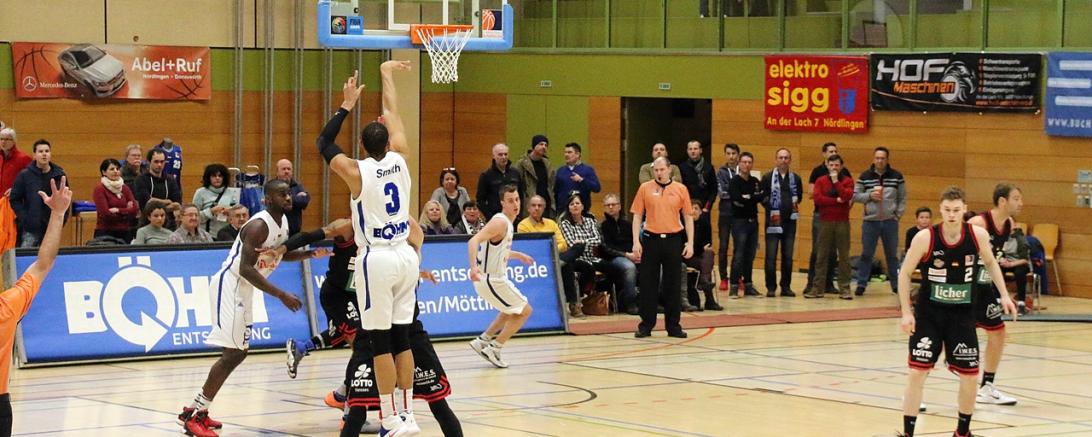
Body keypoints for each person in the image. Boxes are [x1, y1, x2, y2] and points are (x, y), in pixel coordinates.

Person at [318, 62, 422, 437]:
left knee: (379, 343)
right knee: (403, 339)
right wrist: (387, 73)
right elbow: (393, 112)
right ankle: (408, 415)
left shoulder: (355, 171)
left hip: (376, 258)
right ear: (389, 142)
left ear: (363, 147)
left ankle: (390, 419)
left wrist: (346, 105)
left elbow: (323, 143)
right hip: (405, 255)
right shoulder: (402, 156)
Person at [176, 179, 317, 437]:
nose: (288, 198)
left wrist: (307, 255)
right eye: (282, 194)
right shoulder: (258, 226)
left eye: (289, 194)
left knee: (238, 353)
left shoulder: (283, 222)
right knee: (233, 354)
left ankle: (194, 409)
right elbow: (245, 269)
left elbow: (277, 254)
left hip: (244, 290)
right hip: (230, 286)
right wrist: (281, 295)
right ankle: (196, 417)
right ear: (267, 199)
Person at [896, 186, 1017, 437]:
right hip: (929, 315)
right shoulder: (926, 238)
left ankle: (962, 432)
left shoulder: (977, 235)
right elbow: (905, 273)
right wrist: (906, 312)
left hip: (962, 315)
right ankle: (907, 433)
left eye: (956, 210)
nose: (952, 214)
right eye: (947, 210)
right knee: (917, 372)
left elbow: (991, 263)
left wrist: (1004, 294)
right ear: (940, 210)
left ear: (964, 210)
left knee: (970, 376)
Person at [0, 177, 70, 437]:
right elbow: (43, 264)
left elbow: (43, 264)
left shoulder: (7, 307)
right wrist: (58, 214)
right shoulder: (6, 307)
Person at [967, 183, 1024, 406]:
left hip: (984, 287)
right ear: (1002, 201)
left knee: (998, 333)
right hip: (965, 288)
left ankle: (987, 387)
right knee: (946, 338)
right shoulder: (978, 223)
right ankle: (915, 386)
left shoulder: (1009, 224)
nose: (1021, 203)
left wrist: (1004, 294)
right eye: (1016, 198)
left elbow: (992, 262)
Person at [467, 184, 535, 368]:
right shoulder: (500, 222)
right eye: (510, 201)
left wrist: (518, 255)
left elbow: (497, 251)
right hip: (491, 279)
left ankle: (483, 340)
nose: (516, 204)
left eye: (517, 199)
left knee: (510, 309)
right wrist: (473, 267)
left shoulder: (507, 223)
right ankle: (494, 348)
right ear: (502, 203)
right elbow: (473, 240)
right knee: (525, 311)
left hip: (492, 279)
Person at [631, 157, 693, 339]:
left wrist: (690, 242)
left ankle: (673, 326)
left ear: (669, 169)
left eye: (662, 169)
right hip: (651, 239)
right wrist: (636, 242)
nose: (659, 173)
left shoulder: (681, 189)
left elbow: (688, 217)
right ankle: (646, 325)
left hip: (673, 240)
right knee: (648, 283)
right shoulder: (645, 188)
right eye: (656, 170)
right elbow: (637, 216)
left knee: (673, 284)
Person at [517, 195, 587, 318]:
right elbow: (531, 248)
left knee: (578, 247)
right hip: (537, 260)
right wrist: (550, 248)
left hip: (555, 257)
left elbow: (563, 244)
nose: (537, 208)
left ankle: (558, 263)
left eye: (540, 206)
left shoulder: (551, 223)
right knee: (567, 265)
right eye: (533, 205)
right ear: (528, 208)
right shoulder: (523, 225)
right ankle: (573, 304)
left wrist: (550, 249)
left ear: (544, 208)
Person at [853, 146, 907, 296]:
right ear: (873, 159)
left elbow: (902, 197)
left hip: (890, 221)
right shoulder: (865, 176)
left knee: (892, 255)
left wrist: (897, 215)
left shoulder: (897, 176)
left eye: (882, 158)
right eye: (877, 158)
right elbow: (855, 195)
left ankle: (895, 285)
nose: (880, 161)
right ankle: (861, 284)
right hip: (870, 221)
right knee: (866, 254)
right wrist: (869, 196)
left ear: (887, 159)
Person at [804, 154, 854, 299]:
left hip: (842, 222)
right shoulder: (820, 180)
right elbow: (818, 199)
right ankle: (817, 288)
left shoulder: (848, 181)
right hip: (825, 221)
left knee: (844, 256)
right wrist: (836, 201)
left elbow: (846, 196)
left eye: (837, 165)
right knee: (821, 255)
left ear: (841, 166)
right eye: (831, 165)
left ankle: (845, 289)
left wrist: (836, 182)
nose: (834, 168)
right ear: (827, 166)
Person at [760, 148, 803, 297]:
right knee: (771, 256)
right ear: (776, 159)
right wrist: (772, 205)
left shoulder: (796, 178)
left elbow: (799, 197)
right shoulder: (767, 177)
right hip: (773, 223)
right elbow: (762, 197)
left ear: (790, 160)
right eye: (781, 157)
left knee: (788, 257)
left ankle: (786, 287)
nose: (783, 160)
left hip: (790, 223)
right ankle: (771, 287)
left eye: (786, 158)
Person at [10, 139, 68, 248]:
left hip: (52, 228)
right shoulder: (25, 175)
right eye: (40, 151)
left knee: (49, 257)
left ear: (50, 154)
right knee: (26, 256)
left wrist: (61, 221)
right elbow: (14, 199)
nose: (44, 154)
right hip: (30, 229)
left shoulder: (59, 175)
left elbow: (65, 200)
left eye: (47, 151)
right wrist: (24, 218)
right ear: (34, 155)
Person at [558, 193, 604, 308]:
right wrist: (586, 243)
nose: (575, 206)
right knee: (587, 267)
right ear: (568, 208)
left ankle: (603, 299)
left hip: (591, 258)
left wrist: (582, 241)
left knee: (613, 268)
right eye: (572, 204)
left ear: (582, 206)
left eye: (577, 203)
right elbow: (571, 244)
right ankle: (579, 297)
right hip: (575, 258)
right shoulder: (565, 223)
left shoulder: (590, 221)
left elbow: (598, 240)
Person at [727, 152, 764, 297]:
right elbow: (736, 200)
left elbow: (761, 196)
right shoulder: (734, 181)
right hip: (739, 222)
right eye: (744, 162)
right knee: (739, 254)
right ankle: (734, 286)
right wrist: (751, 198)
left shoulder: (755, 181)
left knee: (750, 254)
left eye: (749, 162)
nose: (747, 165)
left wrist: (749, 197)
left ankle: (748, 285)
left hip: (753, 221)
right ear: (739, 163)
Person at [597, 194, 640, 315]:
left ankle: (654, 301)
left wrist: (638, 254)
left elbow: (637, 241)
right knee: (629, 267)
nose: (611, 207)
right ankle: (630, 303)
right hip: (613, 258)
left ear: (619, 206)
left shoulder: (628, 224)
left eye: (613, 204)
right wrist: (626, 255)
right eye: (608, 205)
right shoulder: (601, 226)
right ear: (604, 207)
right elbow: (605, 248)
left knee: (654, 265)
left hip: (632, 255)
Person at [684, 199, 721, 311]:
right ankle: (709, 298)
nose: (693, 211)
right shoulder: (683, 225)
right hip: (687, 258)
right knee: (706, 264)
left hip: (701, 258)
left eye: (696, 208)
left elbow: (708, 244)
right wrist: (699, 247)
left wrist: (698, 247)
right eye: (691, 208)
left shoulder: (705, 224)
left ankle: (704, 281)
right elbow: (686, 248)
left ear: (701, 212)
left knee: (709, 254)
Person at [133, 148, 182, 228]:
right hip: (147, 225)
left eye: (162, 162)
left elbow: (177, 204)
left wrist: (154, 202)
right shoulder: (141, 179)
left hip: (169, 225)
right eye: (156, 162)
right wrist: (167, 201)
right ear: (149, 162)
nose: (159, 165)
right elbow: (146, 204)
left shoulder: (171, 179)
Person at [92, 158, 139, 242]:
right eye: (112, 169)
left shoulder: (124, 188)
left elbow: (135, 210)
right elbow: (105, 214)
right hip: (105, 232)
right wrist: (126, 211)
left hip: (125, 232)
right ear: (104, 172)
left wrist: (118, 210)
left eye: (117, 169)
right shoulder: (100, 189)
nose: (116, 171)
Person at [715, 143, 741, 291]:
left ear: (738, 155)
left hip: (740, 214)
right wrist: (738, 194)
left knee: (739, 247)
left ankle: (738, 277)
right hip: (725, 213)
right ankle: (724, 278)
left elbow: (747, 192)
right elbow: (722, 193)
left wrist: (735, 192)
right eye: (728, 153)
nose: (731, 156)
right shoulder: (721, 172)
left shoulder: (743, 170)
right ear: (725, 155)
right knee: (723, 246)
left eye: (733, 153)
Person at [476, 143, 523, 219]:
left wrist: (519, 215)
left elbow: (521, 195)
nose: (503, 157)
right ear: (494, 156)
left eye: (505, 154)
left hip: (514, 218)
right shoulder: (486, 175)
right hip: (496, 217)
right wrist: (490, 217)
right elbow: (480, 200)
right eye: (500, 155)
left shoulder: (515, 173)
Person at [193, 164, 239, 238]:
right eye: (214, 176)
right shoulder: (200, 192)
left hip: (227, 235)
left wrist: (230, 212)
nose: (217, 178)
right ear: (208, 178)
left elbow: (238, 215)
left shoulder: (232, 192)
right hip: (207, 236)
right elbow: (194, 217)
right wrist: (211, 211)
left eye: (220, 176)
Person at [553, 143, 601, 213]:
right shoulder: (560, 171)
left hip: (582, 211)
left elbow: (597, 188)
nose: (566, 155)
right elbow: (555, 191)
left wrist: (582, 180)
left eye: (569, 152)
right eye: (565, 152)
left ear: (577, 154)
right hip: (563, 211)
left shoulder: (587, 170)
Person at [515, 135, 555, 217]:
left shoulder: (547, 164)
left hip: (546, 204)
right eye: (541, 144)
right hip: (530, 204)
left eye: (546, 145)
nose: (544, 147)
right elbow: (517, 185)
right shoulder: (522, 164)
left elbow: (551, 184)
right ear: (534, 146)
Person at [679, 140, 718, 216]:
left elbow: (713, 190)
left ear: (700, 150)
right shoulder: (682, 167)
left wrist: (707, 207)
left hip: (704, 208)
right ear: (687, 151)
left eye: (695, 149)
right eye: (690, 149)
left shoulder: (708, 167)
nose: (693, 151)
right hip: (687, 206)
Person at [276, 159, 310, 236]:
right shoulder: (271, 186)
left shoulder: (297, 186)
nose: (286, 171)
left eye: (289, 169)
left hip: (294, 231)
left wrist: (283, 199)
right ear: (277, 172)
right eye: (283, 169)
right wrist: (295, 198)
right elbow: (274, 203)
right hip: (277, 230)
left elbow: (304, 202)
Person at [0, 128, 32, 197]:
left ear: (14, 141)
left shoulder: (24, 158)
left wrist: (17, 189)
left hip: (14, 199)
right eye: (1, 139)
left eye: (7, 139)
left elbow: (32, 180)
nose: (3, 142)